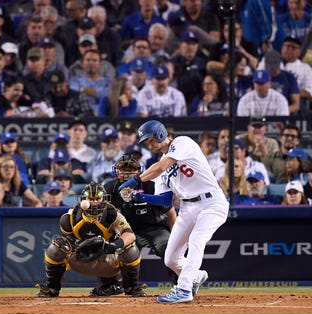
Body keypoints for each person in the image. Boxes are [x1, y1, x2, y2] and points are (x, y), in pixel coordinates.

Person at [118, 120, 228, 303]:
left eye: (150, 139)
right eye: (146, 142)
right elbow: (165, 200)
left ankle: (184, 289)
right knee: (171, 259)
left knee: (196, 240)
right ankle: (196, 277)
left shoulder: (182, 143)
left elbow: (161, 166)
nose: (149, 144)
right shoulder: (160, 167)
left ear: (161, 134)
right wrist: (141, 197)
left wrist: (134, 181)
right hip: (187, 208)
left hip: (211, 203)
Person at [35, 182, 146, 298]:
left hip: (107, 260)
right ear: (84, 200)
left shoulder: (113, 215)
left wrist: (112, 246)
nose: (94, 202)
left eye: (97, 198)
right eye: (91, 199)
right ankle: (52, 288)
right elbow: (67, 241)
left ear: (104, 199)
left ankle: (131, 288)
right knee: (56, 247)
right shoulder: (70, 217)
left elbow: (130, 235)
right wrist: (80, 246)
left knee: (131, 249)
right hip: (81, 259)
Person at [104, 154, 178, 283]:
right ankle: (112, 286)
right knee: (111, 251)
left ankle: (182, 284)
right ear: (116, 170)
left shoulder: (150, 186)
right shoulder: (109, 188)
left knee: (168, 246)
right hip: (124, 231)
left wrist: (176, 237)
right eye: (123, 169)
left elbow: (170, 212)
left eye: (131, 169)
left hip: (153, 228)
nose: (127, 173)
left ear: (139, 171)